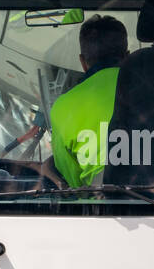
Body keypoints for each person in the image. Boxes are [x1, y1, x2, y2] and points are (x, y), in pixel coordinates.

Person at [49, 14, 128, 188]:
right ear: (127, 56)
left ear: (83, 62)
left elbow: (73, 181)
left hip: (98, 211)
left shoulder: (63, 106)